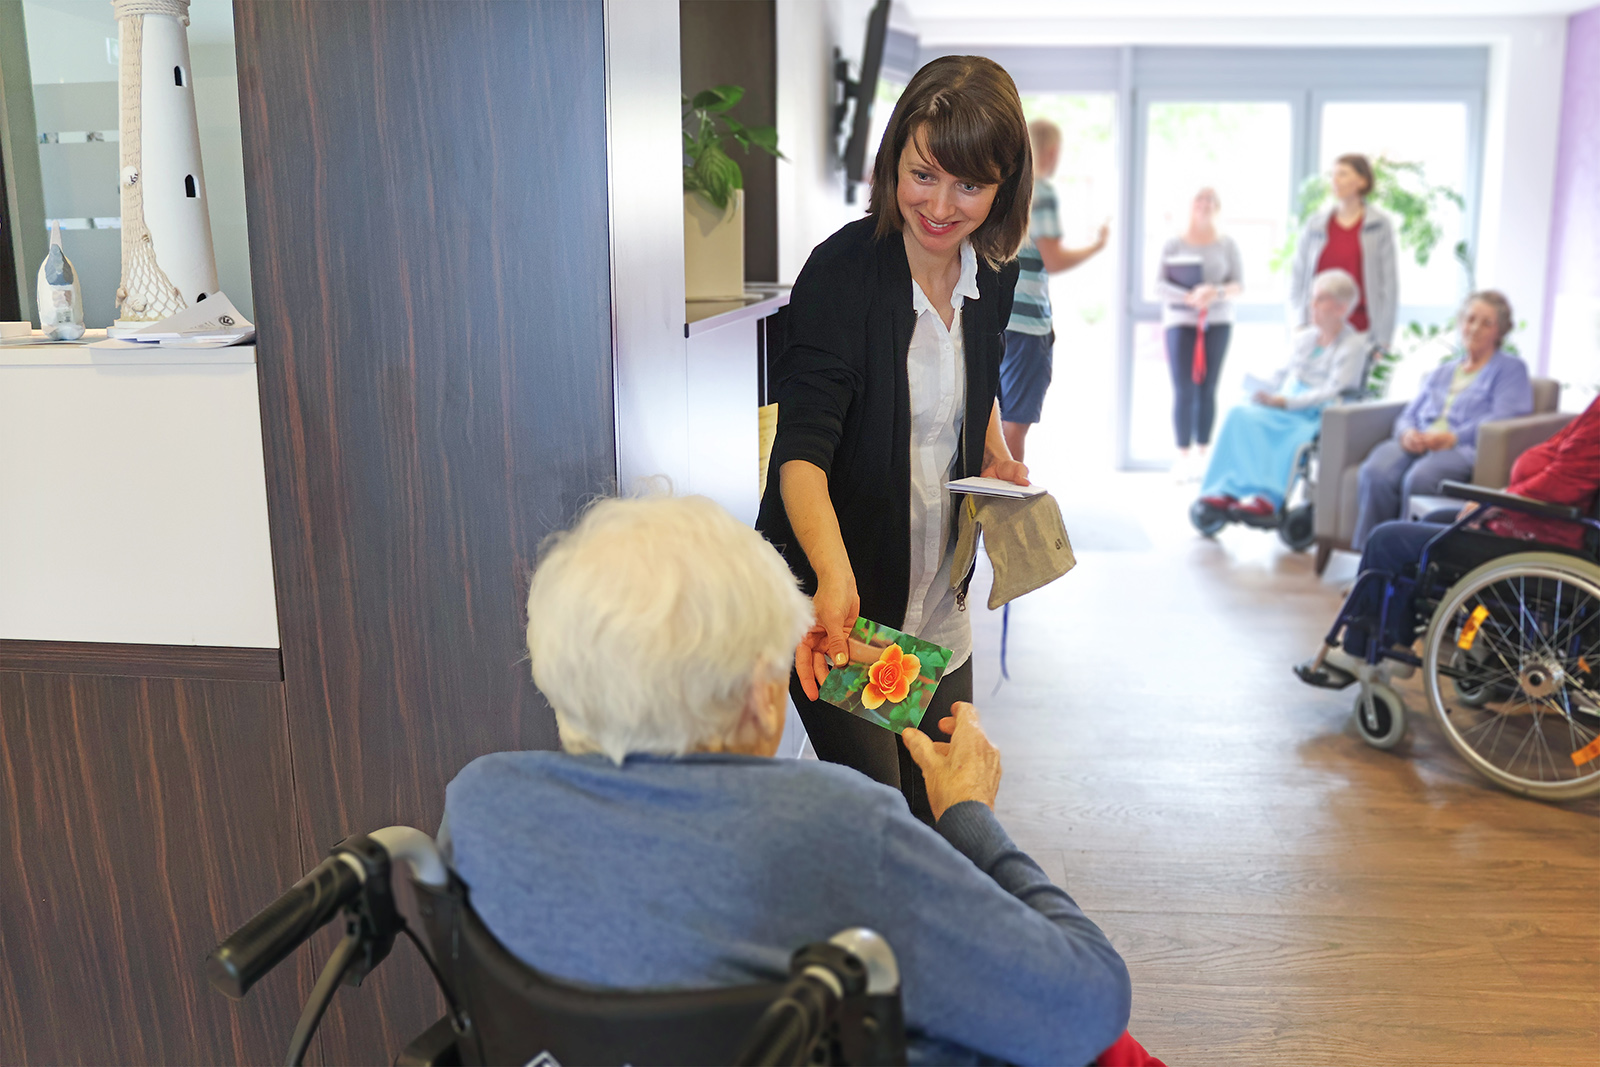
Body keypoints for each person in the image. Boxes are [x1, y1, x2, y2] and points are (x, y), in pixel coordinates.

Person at [440, 494, 1139, 1066]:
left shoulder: (481, 806)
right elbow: (1086, 1006)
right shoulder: (839, 823)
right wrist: (968, 816)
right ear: (758, 695)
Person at [754, 55, 1032, 824]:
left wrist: (996, 452)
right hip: (843, 604)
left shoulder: (993, 272)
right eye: (923, 175)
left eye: (970, 186)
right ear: (893, 161)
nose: (940, 206)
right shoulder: (842, 274)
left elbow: (976, 383)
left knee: (948, 810)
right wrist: (832, 578)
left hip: (939, 599)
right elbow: (801, 457)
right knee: (883, 823)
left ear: (1003, 187)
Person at [1296, 395, 1600, 688]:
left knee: (1388, 540)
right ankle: (1397, 640)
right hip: (1538, 529)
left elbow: (1563, 485)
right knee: (1436, 521)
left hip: (1543, 542)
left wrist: (1496, 503)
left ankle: (1358, 651)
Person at [1350, 290, 1533, 550]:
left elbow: (1505, 417)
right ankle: (1368, 560)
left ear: (1500, 331)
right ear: (1461, 323)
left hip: (1460, 447)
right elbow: (1409, 413)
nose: (1475, 328)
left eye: (1486, 323)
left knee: (1420, 478)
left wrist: (1454, 437)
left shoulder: (1510, 369)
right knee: (1375, 471)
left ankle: (1405, 564)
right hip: (1420, 440)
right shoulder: (1442, 370)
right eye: (1470, 319)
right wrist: (1407, 433)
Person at [1197, 268, 1368, 518]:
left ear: (1341, 308)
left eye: (1320, 299)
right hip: (1286, 399)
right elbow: (1280, 374)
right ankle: (1224, 489)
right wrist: (1263, 390)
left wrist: (1286, 402)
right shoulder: (1306, 338)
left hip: (1316, 410)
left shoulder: (1353, 345)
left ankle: (1268, 496)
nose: (1312, 305)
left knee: (1287, 433)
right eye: (1312, 298)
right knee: (1239, 412)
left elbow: (1333, 390)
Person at [1000, 117, 1110, 463]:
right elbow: (1055, 260)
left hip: (999, 321)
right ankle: (1007, 514)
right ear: (1051, 151)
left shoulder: (1004, 188)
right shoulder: (1040, 192)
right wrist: (1096, 246)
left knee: (992, 425)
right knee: (1012, 428)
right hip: (1028, 327)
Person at [1155, 187, 1243, 477]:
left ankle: (1203, 455)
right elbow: (1159, 285)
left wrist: (1213, 292)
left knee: (1208, 388)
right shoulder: (1173, 242)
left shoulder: (1227, 244)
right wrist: (1190, 297)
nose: (1204, 205)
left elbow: (1237, 286)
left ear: (1217, 208)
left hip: (1217, 322)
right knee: (1184, 389)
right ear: (1190, 205)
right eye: (1199, 199)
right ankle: (1183, 456)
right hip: (1181, 322)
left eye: (1210, 201)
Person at [1288, 153, 1399, 352]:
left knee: (1352, 383)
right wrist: (1298, 325)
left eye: (1343, 174)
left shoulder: (1379, 226)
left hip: (1362, 330)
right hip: (1317, 329)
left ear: (1361, 181)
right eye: (1333, 175)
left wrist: (1383, 339)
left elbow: (1389, 287)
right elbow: (1297, 279)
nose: (1335, 180)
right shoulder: (1315, 226)